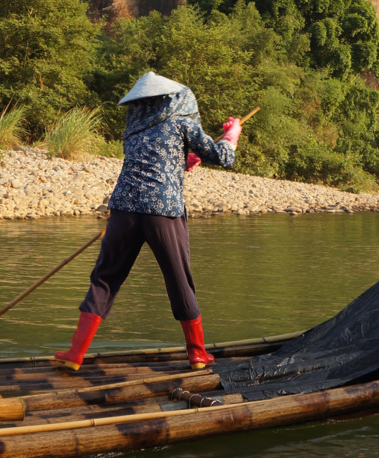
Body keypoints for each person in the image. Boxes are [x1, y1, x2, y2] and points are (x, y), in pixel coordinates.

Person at [54, 72, 242, 371]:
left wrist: (186, 161)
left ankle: (76, 353)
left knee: (105, 278)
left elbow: (156, 160)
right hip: (163, 210)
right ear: (171, 100)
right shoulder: (182, 122)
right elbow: (223, 157)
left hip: (124, 210)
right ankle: (197, 354)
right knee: (179, 280)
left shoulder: (133, 130)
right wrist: (232, 134)